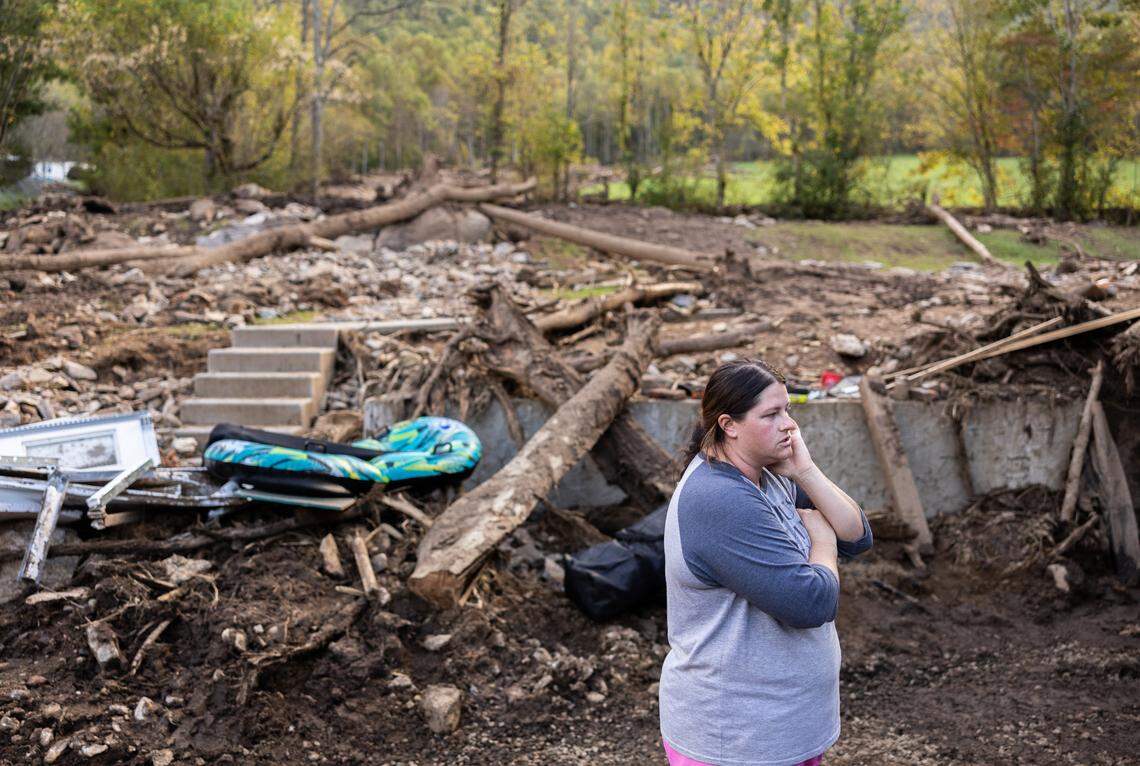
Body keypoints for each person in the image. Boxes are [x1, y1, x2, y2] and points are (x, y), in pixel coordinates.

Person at [659, 359, 873, 766]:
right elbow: (811, 602)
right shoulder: (719, 498)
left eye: (788, 410)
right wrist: (822, 545)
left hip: (781, 725)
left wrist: (805, 471)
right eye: (771, 414)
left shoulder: (768, 477)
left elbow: (857, 535)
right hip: (737, 737)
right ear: (729, 424)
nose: (789, 424)